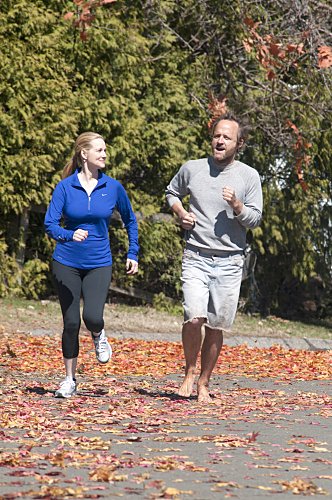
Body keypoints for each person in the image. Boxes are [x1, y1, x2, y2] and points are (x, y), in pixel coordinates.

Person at [165, 112, 263, 403]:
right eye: (216, 135)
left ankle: (204, 383)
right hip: (195, 254)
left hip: (230, 261)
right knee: (193, 318)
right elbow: (172, 192)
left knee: (216, 325)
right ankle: (189, 370)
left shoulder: (249, 176)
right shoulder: (193, 168)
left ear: (239, 143)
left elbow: (255, 219)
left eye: (226, 137)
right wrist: (181, 213)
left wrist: (237, 206)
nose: (219, 141)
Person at [45, 132, 139, 398]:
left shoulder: (113, 187)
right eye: (99, 150)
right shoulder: (65, 187)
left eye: (105, 150)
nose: (105, 154)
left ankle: (98, 334)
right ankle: (69, 379)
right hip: (66, 261)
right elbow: (50, 224)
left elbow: (130, 220)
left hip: (99, 262)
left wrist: (133, 252)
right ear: (84, 154)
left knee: (92, 317)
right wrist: (68, 235)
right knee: (71, 322)